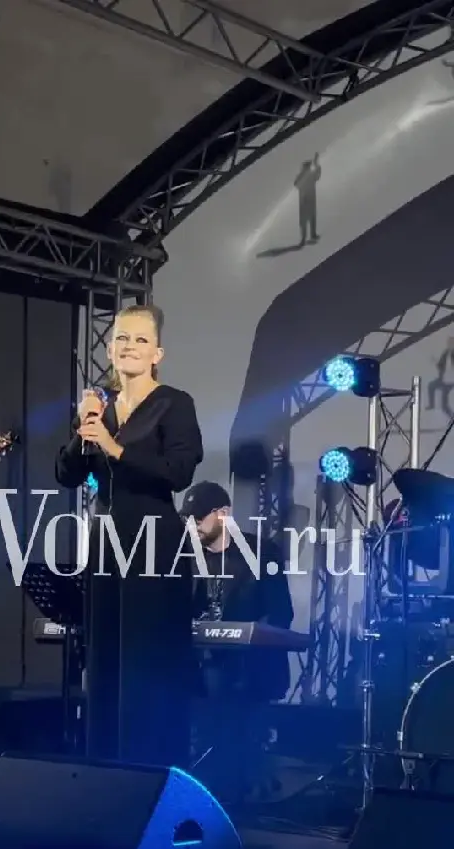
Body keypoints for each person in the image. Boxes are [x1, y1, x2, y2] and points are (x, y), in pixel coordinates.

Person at [55, 304, 203, 767]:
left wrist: (114, 447)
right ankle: (105, 770)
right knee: (104, 658)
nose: (129, 347)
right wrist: (86, 429)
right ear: (109, 348)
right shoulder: (100, 407)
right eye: (121, 338)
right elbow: (66, 474)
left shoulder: (174, 403)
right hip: (106, 543)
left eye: (141, 339)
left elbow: (178, 472)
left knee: (146, 661)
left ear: (157, 353)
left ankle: (150, 771)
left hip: (154, 542)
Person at [181, 481, 294, 806]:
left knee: (237, 724)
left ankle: (242, 787)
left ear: (222, 514)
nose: (193, 526)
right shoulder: (190, 557)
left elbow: (280, 612)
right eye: (188, 519)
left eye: (198, 518)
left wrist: (246, 635)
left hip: (248, 669)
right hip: (202, 667)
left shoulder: (260, 552)